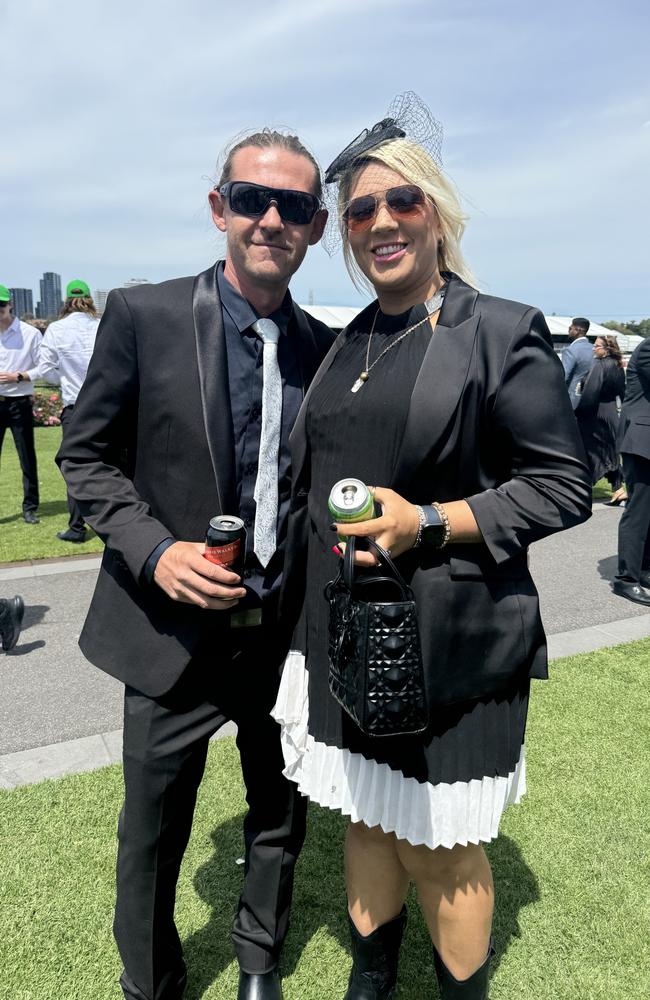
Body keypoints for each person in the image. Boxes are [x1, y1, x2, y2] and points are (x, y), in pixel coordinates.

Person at [272, 94, 592, 1000]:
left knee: (441, 841)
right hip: (342, 634)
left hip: (450, 640)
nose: (381, 223)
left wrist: (432, 520)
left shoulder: (496, 331)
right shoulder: (348, 340)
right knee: (368, 820)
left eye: (402, 203)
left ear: (438, 215)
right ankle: (370, 983)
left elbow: (562, 485)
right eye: (362, 210)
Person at [57, 130, 331, 1000]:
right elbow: (87, 457)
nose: (271, 219)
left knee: (282, 814)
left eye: (293, 206)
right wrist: (157, 550)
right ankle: (153, 983)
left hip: (278, 633)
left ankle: (258, 961)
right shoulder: (145, 315)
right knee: (153, 831)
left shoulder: (324, 349)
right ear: (220, 208)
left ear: (316, 227)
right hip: (170, 630)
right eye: (253, 199)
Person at [39, 279, 100, 543]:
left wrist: (64, 377)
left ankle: (77, 527)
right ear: (89, 299)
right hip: (106, 403)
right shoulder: (102, 324)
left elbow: (44, 370)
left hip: (75, 406)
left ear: (66, 301)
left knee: (76, 468)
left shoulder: (56, 329)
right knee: (115, 464)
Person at [612, 337, 650, 606]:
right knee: (638, 511)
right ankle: (626, 579)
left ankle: (644, 570)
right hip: (642, 439)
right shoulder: (648, 347)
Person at [0, 285, 41, 523]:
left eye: (1, 305)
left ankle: (30, 507)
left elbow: (43, 367)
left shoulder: (30, 334)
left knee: (26, 456)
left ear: (10, 304)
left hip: (19, 401)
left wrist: (20, 376)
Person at [575, 335, 626, 490]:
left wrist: (578, 413)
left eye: (596, 346)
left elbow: (591, 393)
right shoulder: (617, 365)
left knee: (591, 452)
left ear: (607, 349)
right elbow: (621, 391)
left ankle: (583, 488)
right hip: (610, 413)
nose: (593, 348)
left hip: (596, 413)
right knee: (609, 451)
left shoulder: (600, 365)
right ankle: (617, 489)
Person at [561, 316, 594, 410]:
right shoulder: (594, 349)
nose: (569, 330)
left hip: (572, 399)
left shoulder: (570, 350)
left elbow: (563, 376)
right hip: (590, 397)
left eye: (570, 327)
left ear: (577, 330)